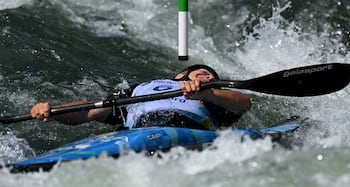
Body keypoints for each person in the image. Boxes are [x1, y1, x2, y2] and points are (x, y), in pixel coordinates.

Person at [31, 64, 251, 130]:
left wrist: (207, 92)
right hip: (142, 129)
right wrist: (55, 111)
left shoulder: (215, 96)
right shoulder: (140, 89)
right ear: (180, 76)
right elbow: (90, 110)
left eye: (212, 77)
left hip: (192, 128)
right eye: (203, 73)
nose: (209, 76)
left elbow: (243, 104)